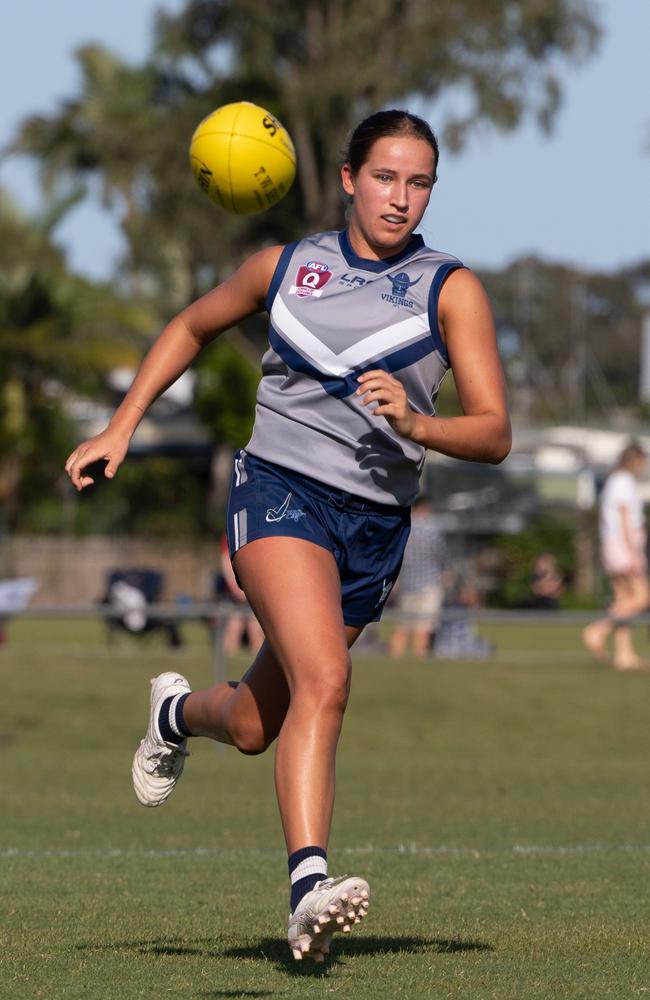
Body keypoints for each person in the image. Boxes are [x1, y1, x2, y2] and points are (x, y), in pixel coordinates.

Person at [64, 109, 511, 961]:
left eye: (419, 183)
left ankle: (173, 711)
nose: (400, 198)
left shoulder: (449, 289)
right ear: (349, 178)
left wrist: (419, 427)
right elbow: (193, 326)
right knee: (328, 678)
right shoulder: (285, 266)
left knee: (252, 725)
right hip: (279, 493)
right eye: (385, 177)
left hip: (374, 527)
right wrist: (121, 426)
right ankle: (309, 886)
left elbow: (493, 432)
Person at [583, 441, 649, 671]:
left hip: (614, 545)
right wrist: (634, 552)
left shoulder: (615, 481)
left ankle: (624, 655)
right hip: (623, 546)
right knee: (642, 597)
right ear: (635, 460)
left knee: (623, 600)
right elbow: (624, 518)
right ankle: (598, 630)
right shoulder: (623, 482)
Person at [388, 496, 447, 657]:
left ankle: (394, 660)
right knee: (424, 628)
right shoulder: (432, 529)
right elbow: (441, 556)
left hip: (407, 584)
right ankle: (418, 662)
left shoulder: (403, 527)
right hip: (429, 583)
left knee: (403, 627)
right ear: (425, 507)